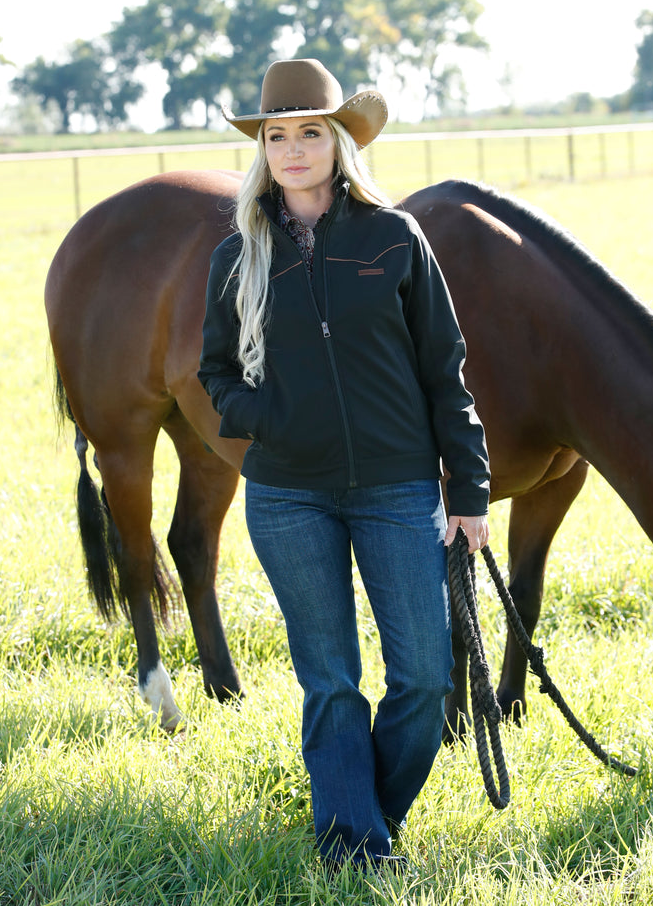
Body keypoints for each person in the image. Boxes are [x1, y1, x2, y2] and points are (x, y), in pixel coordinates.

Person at [198, 58, 490, 872]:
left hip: (398, 489)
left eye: (310, 133)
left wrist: (468, 488)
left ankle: (364, 817)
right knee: (329, 681)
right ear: (264, 149)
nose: (293, 150)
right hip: (288, 496)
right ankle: (353, 848)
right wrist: (271, 419)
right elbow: (216, 373)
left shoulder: (394, 238)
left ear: (338, 142)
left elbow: (446, 368)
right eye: (278, 136)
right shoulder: (237, 256)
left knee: (425, 680)